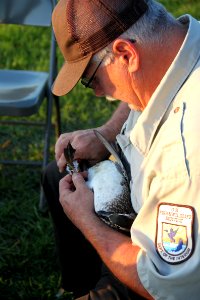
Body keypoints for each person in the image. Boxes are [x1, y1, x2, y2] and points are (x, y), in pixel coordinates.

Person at [42, 0, 200, 299]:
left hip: (166, 278)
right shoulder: (180, 44)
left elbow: (164, 286)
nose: (99, 92)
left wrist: (86, 221)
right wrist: (106, 134)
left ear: (126, 54)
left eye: (90, 80)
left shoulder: (184, 158)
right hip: (147, 195)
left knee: (76, 204)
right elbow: (150, 88)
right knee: (57, 175)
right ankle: (82, 286)